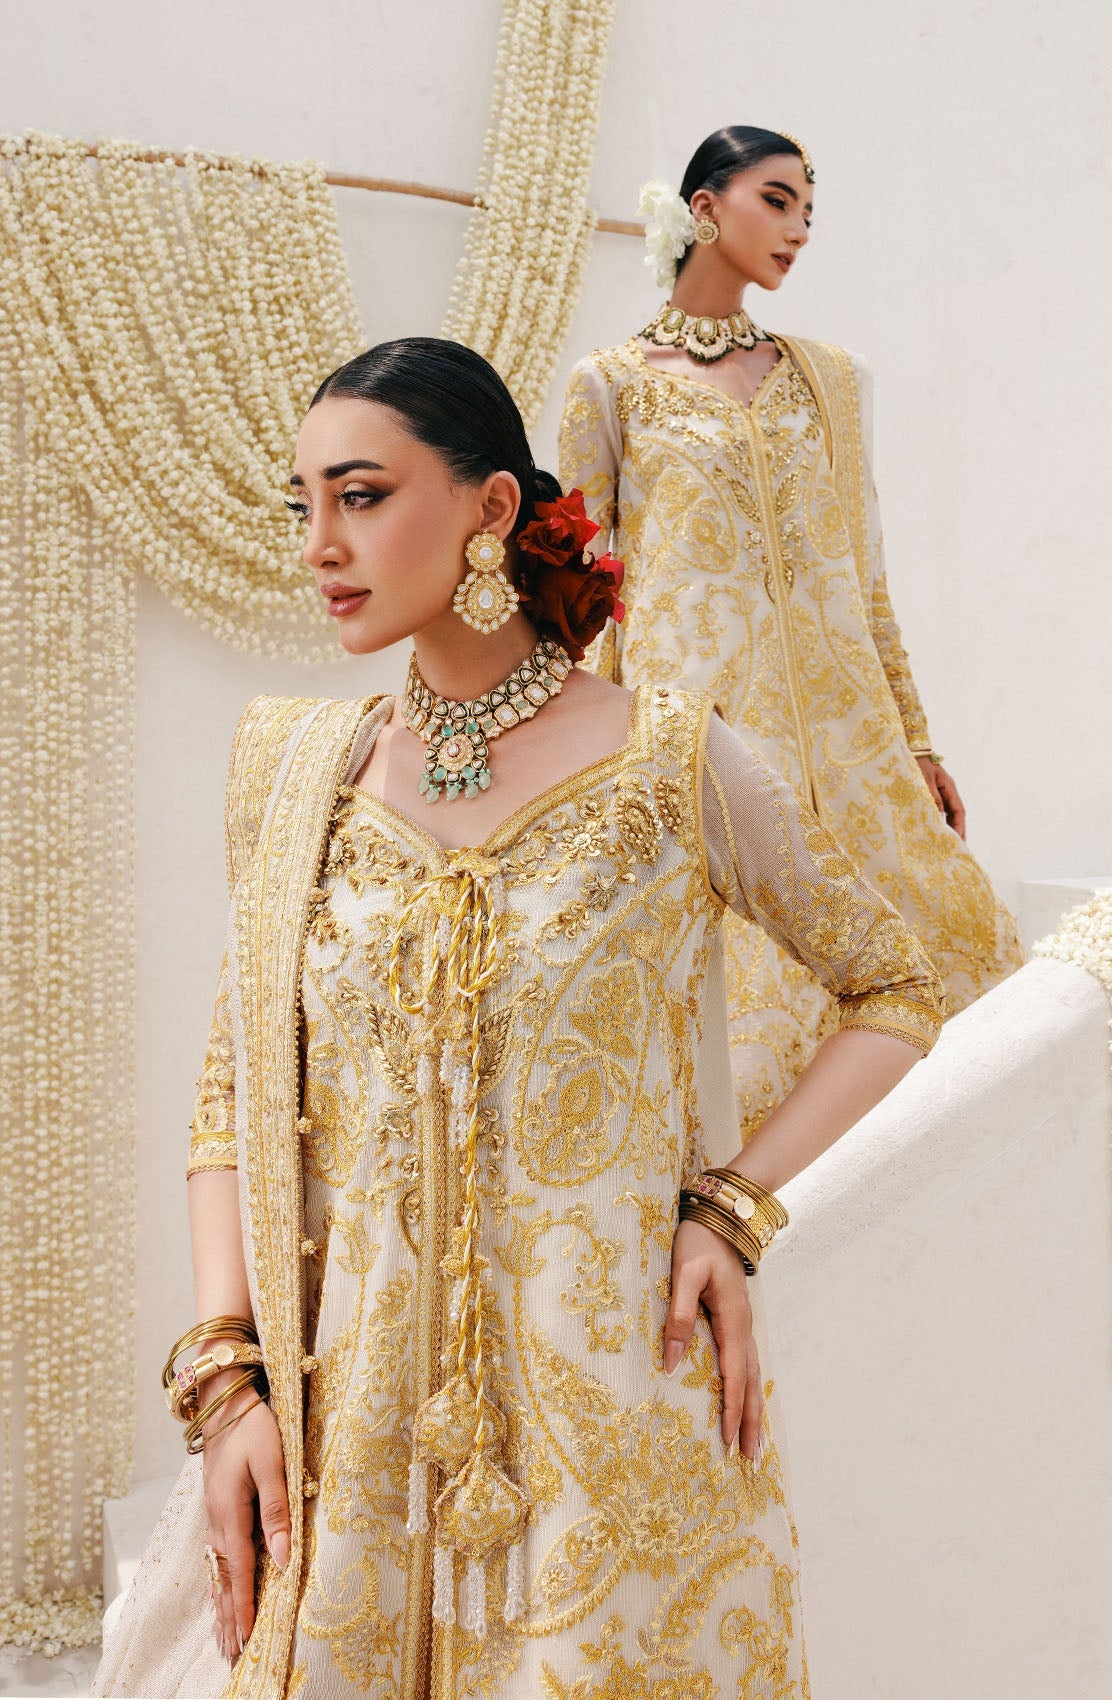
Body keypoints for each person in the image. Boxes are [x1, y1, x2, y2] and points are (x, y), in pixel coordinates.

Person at [95, 337, 944, 1700]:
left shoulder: (672, 761)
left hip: (615, 1430)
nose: (321, 544)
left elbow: (895, 985)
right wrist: (227, 1384)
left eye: (362, 495)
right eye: (305, 503)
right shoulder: (300, 773)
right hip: (352, 1445)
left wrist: (731, 1208)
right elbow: (234, 1089)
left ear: (490, 507)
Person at [559, 125, 1022, 1136]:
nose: (799, 228)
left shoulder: (830, 380)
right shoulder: (611, 384)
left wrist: (916, 738)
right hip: (708, 735)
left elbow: (866, 575)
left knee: (954, 974)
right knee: (743, 1022)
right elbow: (582, 596)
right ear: (704, 208)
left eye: (809, 210)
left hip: (854, 743)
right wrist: (581, 763)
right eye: (777, 200)